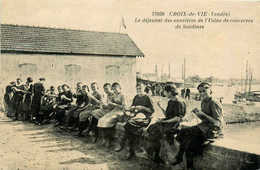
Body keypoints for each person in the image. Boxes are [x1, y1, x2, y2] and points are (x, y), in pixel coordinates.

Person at [171, 82, 225, 170]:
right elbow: (204, 119)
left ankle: (179, 157)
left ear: (210, 90)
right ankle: (187, 165)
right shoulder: (204, 101)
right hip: (204, 127)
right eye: (200, 91)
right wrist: (198, 114)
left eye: (204, 91)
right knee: (189, 145)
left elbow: (218, 122)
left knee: (184, 132)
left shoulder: (214, 102)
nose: (202, 93)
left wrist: (202, 114)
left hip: (213, 130)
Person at [147, 84, 186, 166]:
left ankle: (157, 156)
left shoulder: (179, 102)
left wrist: (164, 122)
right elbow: (167, 115)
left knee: (160, 132)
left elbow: (178, 118)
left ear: (170, 92)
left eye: (165, 92)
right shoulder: (170, 101)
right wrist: (161, 107)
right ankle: (156, 156)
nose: (164, 93)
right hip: (168, 122)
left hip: (174, 124)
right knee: (151, 129)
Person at [115, 83, 154, 160]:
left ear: (144, 88)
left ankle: (123, 144)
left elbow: (152, 110)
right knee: (130, 129)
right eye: (137, 88)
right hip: (136, 116)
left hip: (145, 117)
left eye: (140, 88)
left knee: (128, 124)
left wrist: (142, 107)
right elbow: (132, 106)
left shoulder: (147, 97)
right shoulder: (136, 97)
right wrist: (132, 108)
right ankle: (131, 151)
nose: (138, 90)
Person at [97, 82, 127, 147]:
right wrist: (107, 105)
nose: (114, 91)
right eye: (113, 89)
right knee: (101, 120)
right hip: (114, 110)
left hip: (120, 112)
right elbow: (110, 104)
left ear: (119, 88)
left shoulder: (123, 95)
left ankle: (109, 140)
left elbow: (125, 107)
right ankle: (104, 139)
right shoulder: (115, 95)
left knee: (107, 121)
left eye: (116, 89)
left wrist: (115, 104)